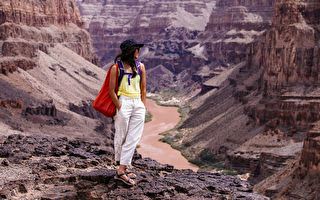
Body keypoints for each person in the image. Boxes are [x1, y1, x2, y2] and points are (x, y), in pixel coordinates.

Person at [109, 39, 146, 186]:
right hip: (124, 102)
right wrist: (119, 107)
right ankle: (121, 167)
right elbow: (112, 91)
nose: (139, 51)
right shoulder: (116, 68)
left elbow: (143, 89)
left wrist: (142, 106)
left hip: (137, 103)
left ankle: (122, 168)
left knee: (134, 137)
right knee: (122, 135)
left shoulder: (141, 67)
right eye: (137, 49)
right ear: (131, 51)